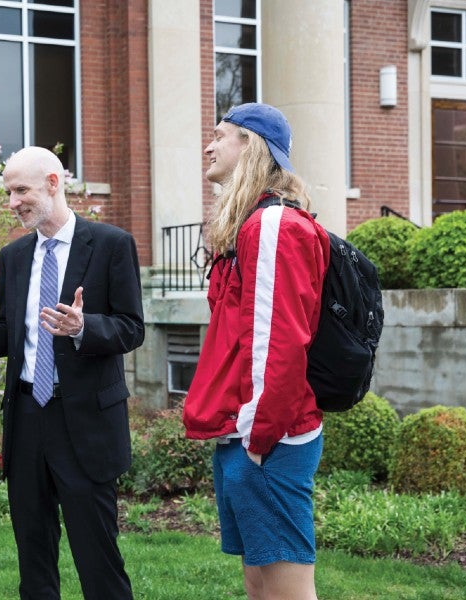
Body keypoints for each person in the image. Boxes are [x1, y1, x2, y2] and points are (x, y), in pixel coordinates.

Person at [0, 146, 144, 600]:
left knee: (99, 559)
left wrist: (84, 327)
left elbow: (132, 329)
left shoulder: (110, 245)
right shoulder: (13, 256)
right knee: (33, 556)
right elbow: (15, 334)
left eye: (21, 190)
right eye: (9, 192)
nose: (13, 201)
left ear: (53, 183)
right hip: (28, 416)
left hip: (86, 423)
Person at [183, 103, 330, 600]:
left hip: (269, 438)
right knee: (260, 587)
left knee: (287, 592)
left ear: (249, 144)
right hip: (246, 432)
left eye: (220, 135)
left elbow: (280, 343)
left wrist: (258, 436)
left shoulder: (273, 227)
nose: (209, 144)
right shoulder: (250, 225)